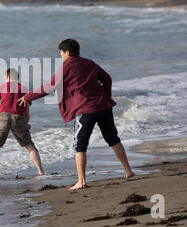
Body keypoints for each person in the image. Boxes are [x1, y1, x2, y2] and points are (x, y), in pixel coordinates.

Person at [18, 39, 134, 190]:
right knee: (113, 139)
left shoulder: (66, 67)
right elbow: (107, 78)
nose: (61, 56)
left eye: (61, 53)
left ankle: (81, 181)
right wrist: (106, 96)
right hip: (104, 106)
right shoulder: (89, 63)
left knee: (80, 146)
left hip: (85, 110)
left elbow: (50, 86)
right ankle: (128, 171)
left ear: (66, 52)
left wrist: (28, 97)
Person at [0, 68, 45, 181]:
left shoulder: (1, 87)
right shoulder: (23, 88)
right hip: (18, 117)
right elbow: (26, 110)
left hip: (2, 117)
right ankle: (40, 171)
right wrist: (26, 122)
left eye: (5, 78)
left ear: (8, 77)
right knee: (29, 145)